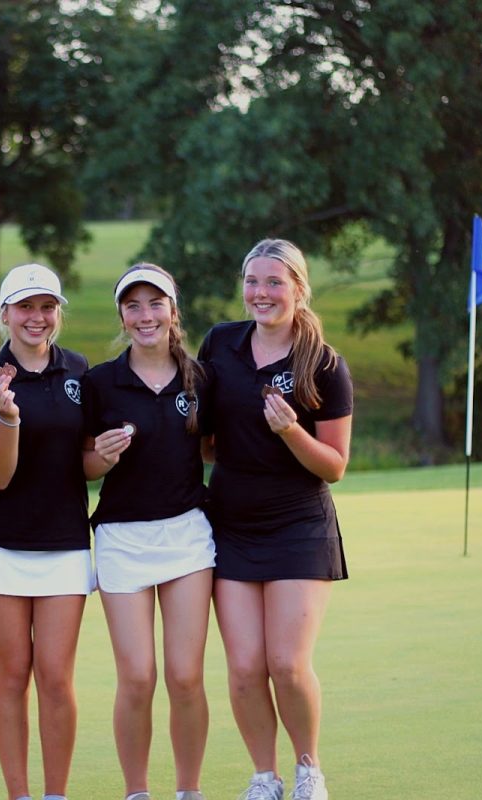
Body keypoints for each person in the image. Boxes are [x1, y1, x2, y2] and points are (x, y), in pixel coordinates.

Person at [198, 239, 352, 800]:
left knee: (286, 663)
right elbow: (208, 440)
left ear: (298, 289)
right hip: (231, 526)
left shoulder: (325, 364)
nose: (260, 293)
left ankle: (309, 769)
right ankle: (265, 777)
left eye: (274, 283)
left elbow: (334, 466)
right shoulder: (219, 343)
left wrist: (290, 431)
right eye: (252, 281)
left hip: (298, 526)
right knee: (244, 667)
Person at [81, 264, 215, 800]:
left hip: (186, 536)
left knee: (185, 677)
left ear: (172, 311)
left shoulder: (200, 379)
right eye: (133, 306)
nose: (145, 316)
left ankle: (188, 791)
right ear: (122, 316)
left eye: (155, 304)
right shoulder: (99, 381)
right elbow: (84, 465)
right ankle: (137, 792)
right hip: (122, 538)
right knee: (137, 678)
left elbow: (212, 449)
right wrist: (102, 458)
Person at [0, 264, 94, 800]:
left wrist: (102, 459)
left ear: (57, 312)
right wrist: (9, 419)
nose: (36, 318)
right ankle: (19, 794)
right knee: (13, 676)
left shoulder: (80, 372)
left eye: (46, 307)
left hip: (65, 544)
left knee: (57, 679)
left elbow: (82, 460)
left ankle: (54, 794)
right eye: (25, 308)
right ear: (5, 315)